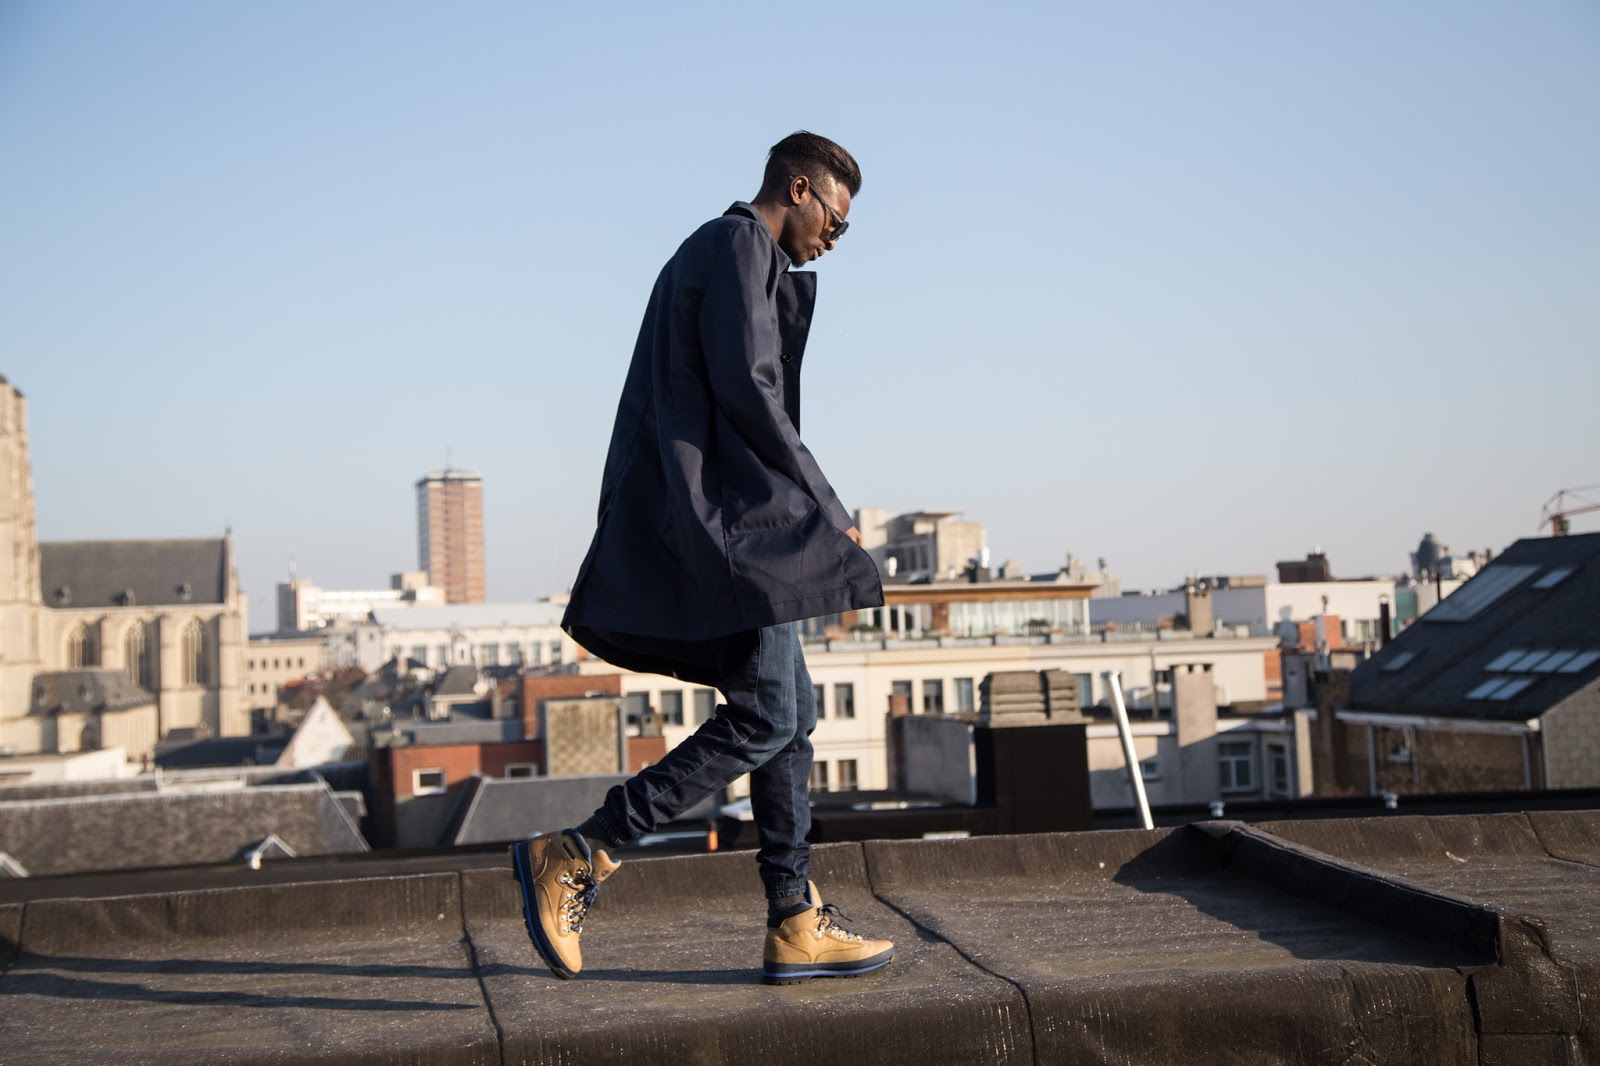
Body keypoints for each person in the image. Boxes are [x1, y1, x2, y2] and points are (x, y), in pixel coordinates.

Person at [509, 131, 894, 986]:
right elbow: (750, 390)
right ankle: (581, 850)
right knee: (765, 717)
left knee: (790, 716)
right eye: (836, 221)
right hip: (736, 530)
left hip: (737, 524)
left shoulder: (726, 253)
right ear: (798, 190)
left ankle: (794, 918)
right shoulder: (736, 245)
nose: (835, 239)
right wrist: (828, 511)